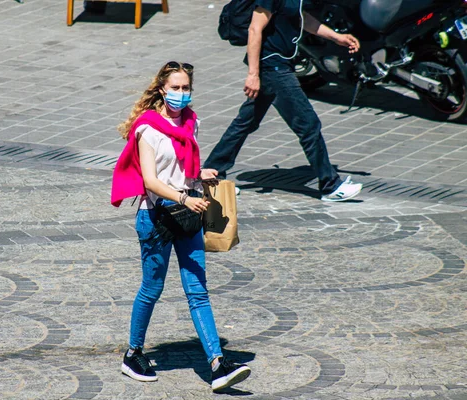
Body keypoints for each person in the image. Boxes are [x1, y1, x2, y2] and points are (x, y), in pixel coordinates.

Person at [111, 61, 251, 391]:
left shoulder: (191, 122)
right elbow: (150, 180)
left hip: (187, 216)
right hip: (157, 217)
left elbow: (183, 169)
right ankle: (133, 354)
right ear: (162, 89)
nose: (181, 94)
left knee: (197, 290)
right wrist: (184, 197)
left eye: (186, 88)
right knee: (152, 288)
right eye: (175, 88)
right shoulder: (147, 128)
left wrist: (197, 177)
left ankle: (218, 363)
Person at [204, 0, 363, 202]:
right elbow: (255, 29)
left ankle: (211, 174)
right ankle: (330, 185)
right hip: (273, 67)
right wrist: (253, 74)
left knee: (246, 122)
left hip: (279, 65)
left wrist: (336, 37)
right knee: (308, 124)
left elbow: (301, 17)